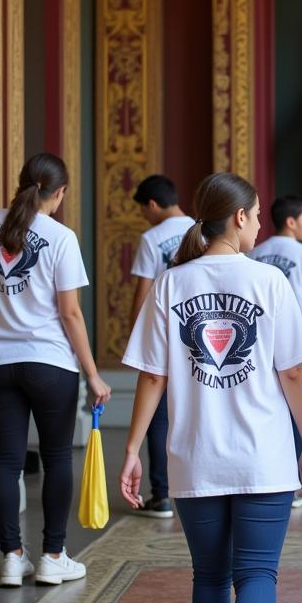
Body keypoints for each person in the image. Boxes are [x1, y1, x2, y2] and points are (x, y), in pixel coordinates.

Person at [119, 172, 302, 603]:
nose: (259, 224)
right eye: (256, 215)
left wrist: (134, 449)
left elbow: (153, 377)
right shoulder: (270, 283)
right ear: (239, 218)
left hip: (194, 457)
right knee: (256, 572)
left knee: (210, 575)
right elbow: (291, 374)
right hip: (262, 455)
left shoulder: (168, 285)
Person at [0, 153, 111, 587]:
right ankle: (53, 555)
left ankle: (12, 557)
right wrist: (93, 373)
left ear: (21, 185)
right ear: (60, 193)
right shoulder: (62, 237)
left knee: (7, 461)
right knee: (55, 460)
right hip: (51, 364)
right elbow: (70, 314)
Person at [251, 194, 302, 508]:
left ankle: (270, 478)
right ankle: (300, 485)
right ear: (291, 221)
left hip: (260, 352)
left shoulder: (255, 253)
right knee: (297, 417)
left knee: (269, 416)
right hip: (298, 352)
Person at [127, 174, 195, 518]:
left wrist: (136, 336)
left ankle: (162, 493)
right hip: (197, 331)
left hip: (163, 333)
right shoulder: (201, 230)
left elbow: (143, 293)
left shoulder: (152, 237)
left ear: (152, 205)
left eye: (143, 210)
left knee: (158, 416)